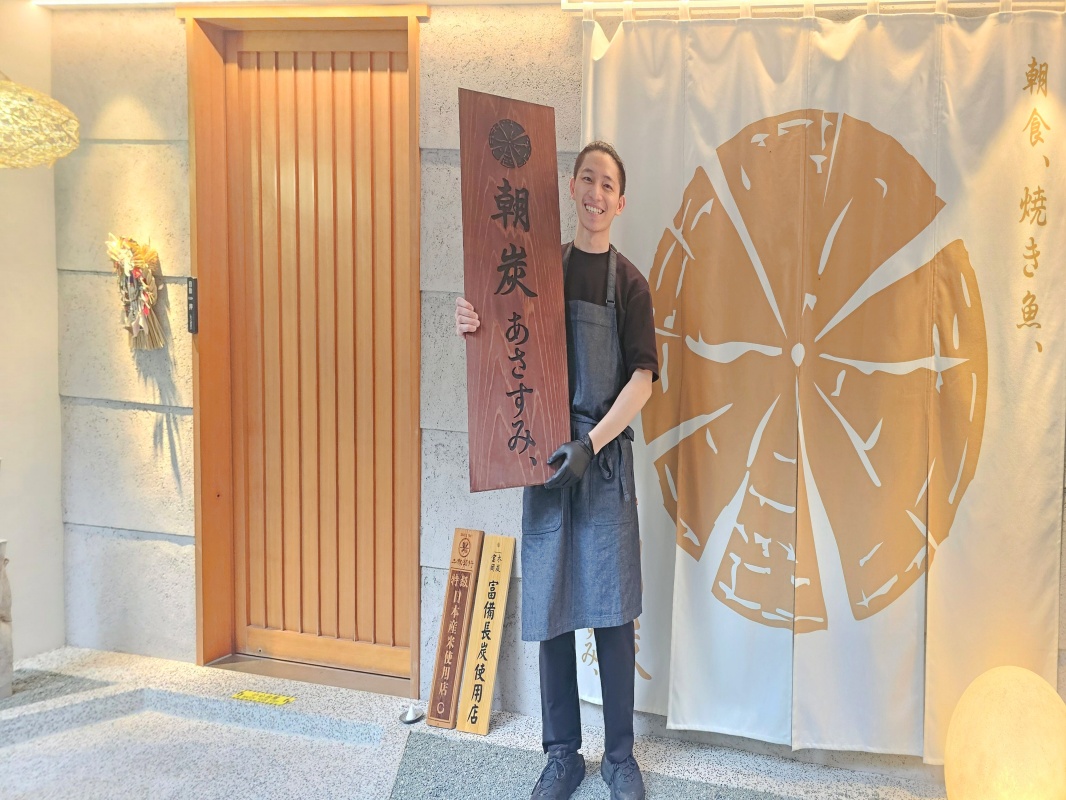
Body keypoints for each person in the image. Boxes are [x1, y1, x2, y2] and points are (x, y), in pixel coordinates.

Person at [455, 141, 658, 800]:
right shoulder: (538, 271)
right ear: (571, 188)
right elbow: (506, 341)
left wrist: (590, 444)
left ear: (620, 202)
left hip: (600, 462)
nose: (596, 193)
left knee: (613, 613)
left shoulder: (630, 284)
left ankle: (620, 756)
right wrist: (473, 323)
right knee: (551, 609)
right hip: (544, 459)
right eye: (587, 179)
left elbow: (643, 381)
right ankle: (562, 754)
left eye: (608, 185)